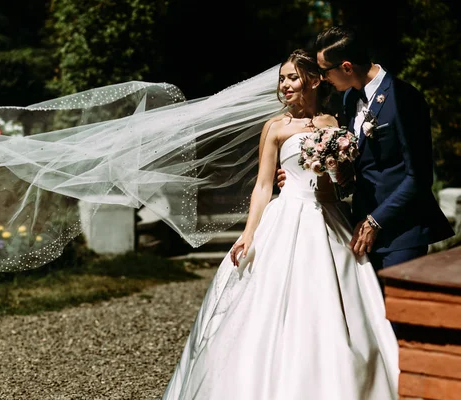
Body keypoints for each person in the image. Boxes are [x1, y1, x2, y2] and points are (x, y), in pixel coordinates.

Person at [161, 49, 398, 400]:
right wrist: (248, 233)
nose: (285, 85)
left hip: (329, 221)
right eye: (282, 79)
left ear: (314, 80)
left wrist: (335, 169)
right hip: (285, 217)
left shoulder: (335, 124)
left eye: (292, 78)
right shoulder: (274, 127)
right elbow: (262, 185)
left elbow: (342, 187)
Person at [277, 25, 454, 272]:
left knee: (395, 309)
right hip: (359, 227)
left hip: (401, 234)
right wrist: (303, 175)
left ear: (347, 67)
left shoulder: (404, 98)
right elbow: (353, 163)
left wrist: (375, 221)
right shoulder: (350, 99)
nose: (324, 78)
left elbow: (418, 177)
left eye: (325, 72)